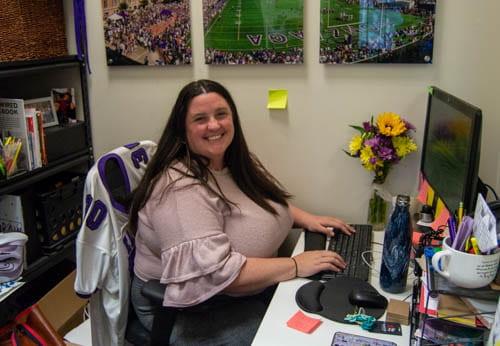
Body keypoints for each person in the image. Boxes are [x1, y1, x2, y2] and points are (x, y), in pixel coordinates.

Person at [129, 79, 355, 345]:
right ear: (183, 130)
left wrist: (306, 218)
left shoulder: (231, 161)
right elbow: (214, 274)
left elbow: (261, 200)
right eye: (200, 119)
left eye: (221, 114)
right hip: (190, 312)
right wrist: (296, 265)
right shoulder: (180, 190)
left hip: (241, 296)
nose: (214, 125)